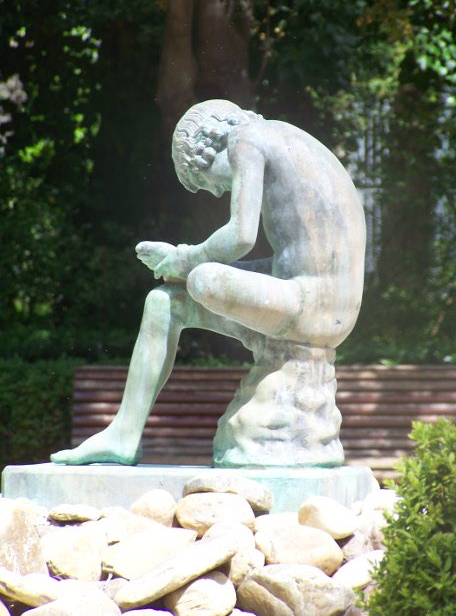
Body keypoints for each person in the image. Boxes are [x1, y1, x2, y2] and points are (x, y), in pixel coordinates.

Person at [51, 99, 366, 466]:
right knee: (163, 302)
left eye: (204, 180)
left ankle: (124, 435)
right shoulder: (289, 138)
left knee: (203, 278)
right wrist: (181, 265)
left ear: (209, 145)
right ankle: (123, 435)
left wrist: (184, 259)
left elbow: (239, 236)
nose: (216, 192)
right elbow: (289, 264)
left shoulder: (245, 138)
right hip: (322, 303)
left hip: (311, 305)